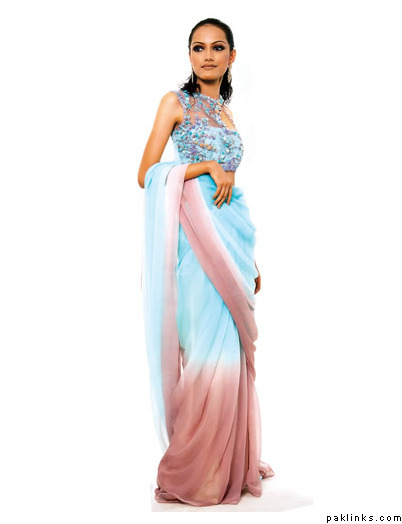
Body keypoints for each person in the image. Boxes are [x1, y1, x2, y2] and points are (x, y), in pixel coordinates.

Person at [138, 17, 275, 507]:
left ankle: (227, 464)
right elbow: (147, 173)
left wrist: (250, 260)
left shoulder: (228, 113)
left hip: (234, 239)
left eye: (218, 48)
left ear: (231, 56)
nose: (208, 56)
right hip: (195, 245)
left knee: (231, 351)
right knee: (204, 352)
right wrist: (205, 165)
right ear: (190, 56)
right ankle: (197, 469)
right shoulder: (175, 104)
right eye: (199, 48)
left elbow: (229, 190)